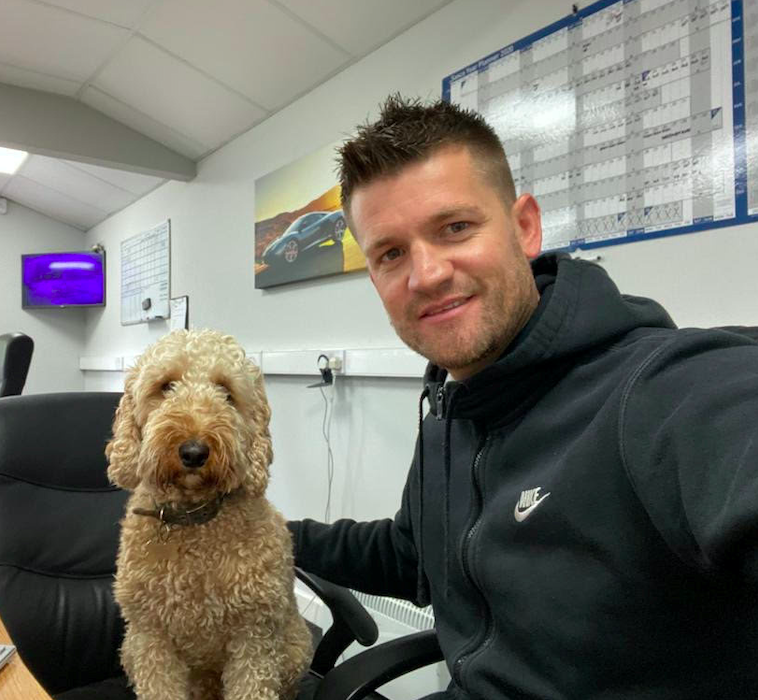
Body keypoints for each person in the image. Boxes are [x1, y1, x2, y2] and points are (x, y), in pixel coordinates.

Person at [288, 94, 758, 699]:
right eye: (391, 253)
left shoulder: (663, 389)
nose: (426, 274)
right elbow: (412, 554)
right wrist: (263, 532)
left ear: (525, 227)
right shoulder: (451, 409)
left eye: (455, 227)